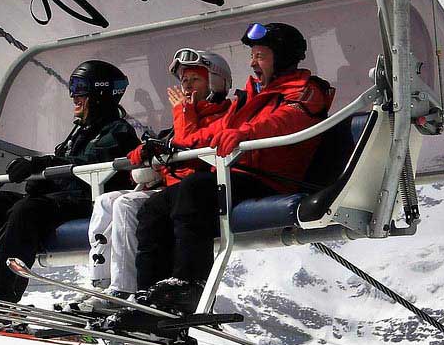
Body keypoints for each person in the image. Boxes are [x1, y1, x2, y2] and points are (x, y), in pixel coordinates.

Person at [134, 23, 334, 312]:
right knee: (154, 207)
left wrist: (247, 132)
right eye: (252, 56)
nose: (253, 63)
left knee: (193, 190)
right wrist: (173, 145)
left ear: (283, 58)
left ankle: (189, 285)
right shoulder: (251, 96)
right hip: (235, 174)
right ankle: (149, 293)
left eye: (261, 56)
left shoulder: (306, 91)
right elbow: (216, 133)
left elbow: (286, 121)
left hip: (270, 180)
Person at [0, 59, 140, 304]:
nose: (74, 98)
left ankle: (2, 294)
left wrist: (44, 165)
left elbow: (88, 163)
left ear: (100, 95)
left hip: (88, 201)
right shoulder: (80, 132)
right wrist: (40, 179)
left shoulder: (118, 131)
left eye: (81, 92)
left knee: (26, 210)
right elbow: (65, 163)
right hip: (62, 199)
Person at [86, 48, 234, 296]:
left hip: (195, 192)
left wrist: (182, 114)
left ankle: (124, 289)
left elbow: (191, 146)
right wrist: (147, 152)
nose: (186, 87)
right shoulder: (182, 121)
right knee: (106, 201)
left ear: (216, 82)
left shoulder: (225, 117)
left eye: (195, 79)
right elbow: (151, 151)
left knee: (126, 204)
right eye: (184, 80)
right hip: (170, 189)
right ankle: (103, 284)